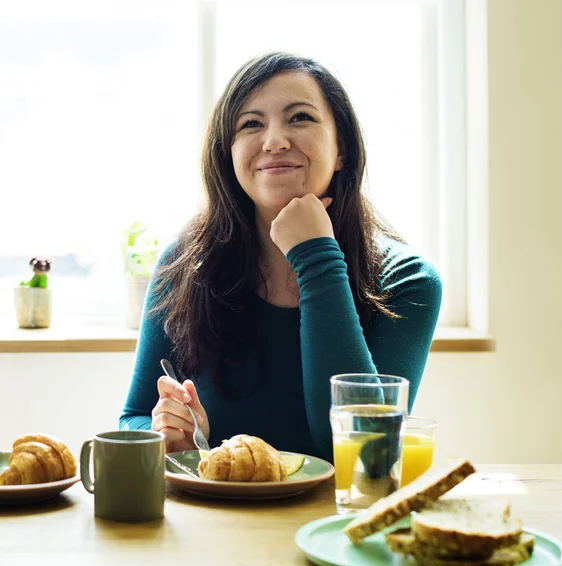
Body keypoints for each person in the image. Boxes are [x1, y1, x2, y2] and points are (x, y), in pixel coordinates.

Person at [119, 52, 442, 461]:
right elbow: (132, 418)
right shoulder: (183, 264)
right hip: (217, 517)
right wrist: (168, 435)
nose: (274, 141)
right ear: (229, 154)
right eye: (251, 124)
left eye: (300, 118)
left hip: (336, 520)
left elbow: (365, 454)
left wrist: (316, 257)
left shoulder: (407, 280)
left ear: (342, 148)